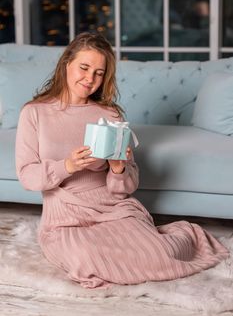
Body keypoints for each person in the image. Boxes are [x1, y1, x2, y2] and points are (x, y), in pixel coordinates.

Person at [15, 32, 229, 289]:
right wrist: (68, 165)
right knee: (84, 258)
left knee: (158, 255)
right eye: (84, 67)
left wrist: (118, 169)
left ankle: (184, 236)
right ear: (66, 64)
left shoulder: (109, 115)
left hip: (112, 209)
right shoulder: (34, 113)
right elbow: (27, 175)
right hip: (64, 216)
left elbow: (124, 190)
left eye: (99, 73)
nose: (90, 79)